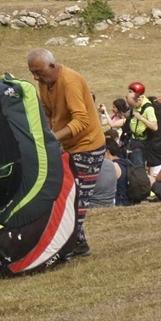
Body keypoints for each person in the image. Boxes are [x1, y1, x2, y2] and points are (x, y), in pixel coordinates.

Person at [27, 48, 103, 261]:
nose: (35, 77)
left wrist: (53, 139)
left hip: (88, 146)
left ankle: (69, 245)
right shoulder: (45, 82)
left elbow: (82, 120)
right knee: (65, 196)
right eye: (32, 72)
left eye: (39, 72)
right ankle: (77, 242)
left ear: (52, 66)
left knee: (77, 200)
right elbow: (48, 111)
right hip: (67, 146)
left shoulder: (69, 82)